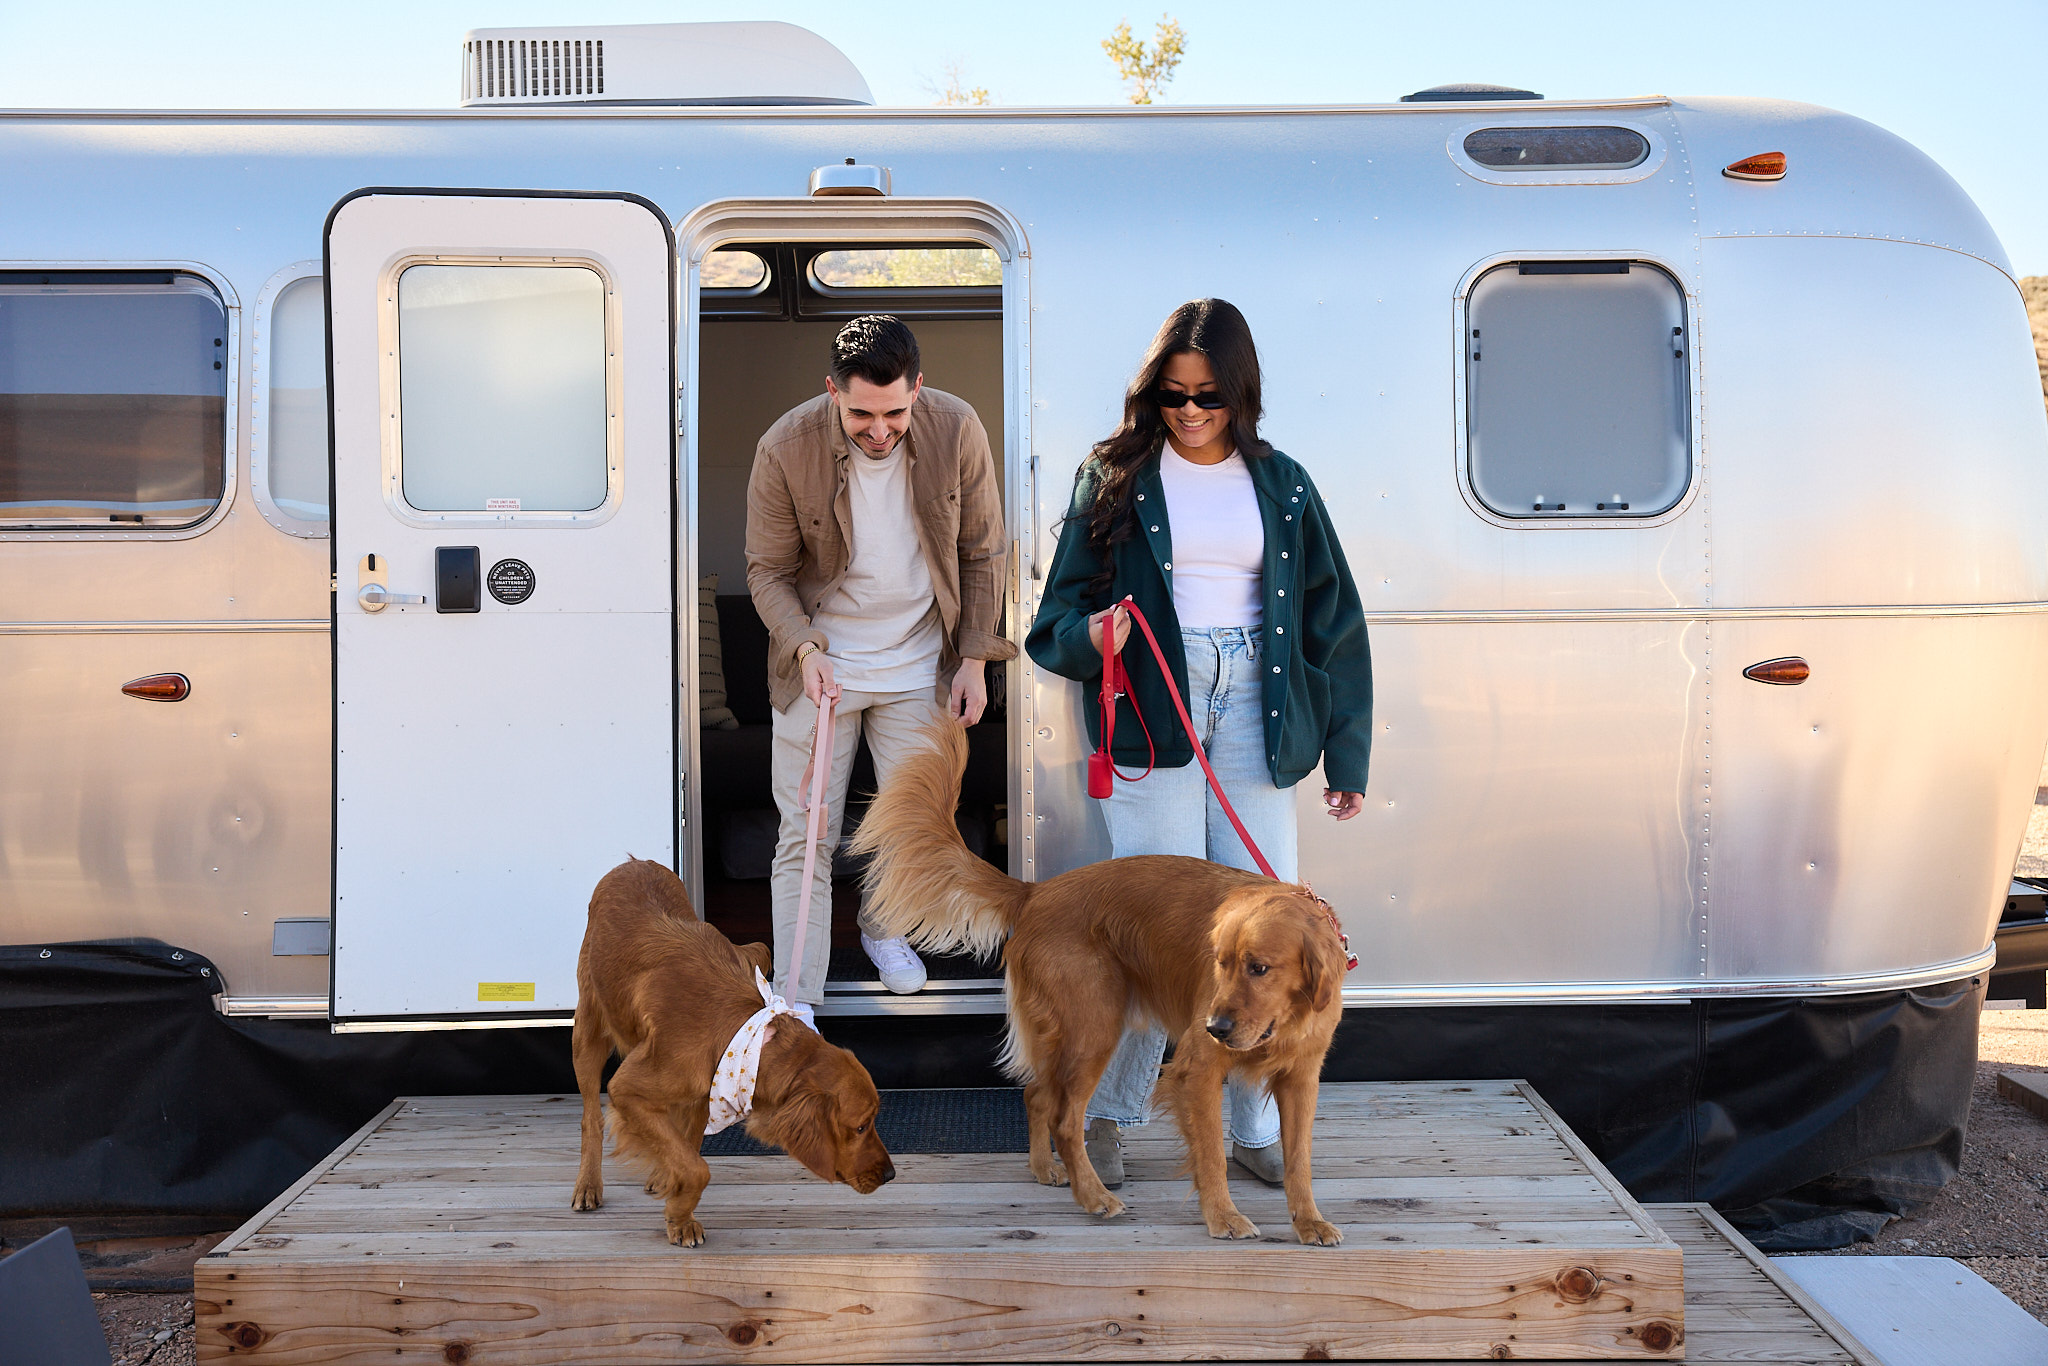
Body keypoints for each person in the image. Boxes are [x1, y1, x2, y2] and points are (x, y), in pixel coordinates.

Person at [1024, 298, 1371, 1187]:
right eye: (1172, 395)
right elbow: (1051, 621)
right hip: (1154, 706)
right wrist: (1092, 636)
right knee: (1156, 931)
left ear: (1240, 392)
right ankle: (1108, 1115)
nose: (1188, 412)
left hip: (1262, 700)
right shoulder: (1111, 477)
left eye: (1208, 395)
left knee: (1268, 931)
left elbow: (1336, 624)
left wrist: (1347, 754)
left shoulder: (1284, 481)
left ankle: (1255, 1128)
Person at [746, 314, 1013, 1027]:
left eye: (895, 412)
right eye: (860, 413)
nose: (879, 429)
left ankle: (882, 926)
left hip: (919, 657)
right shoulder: (785, 444)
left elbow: (985, 553)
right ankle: (797, 996)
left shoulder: (957, 428)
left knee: (912, 822)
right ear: (832, 392)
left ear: (918, 389)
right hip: (820, 662)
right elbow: (766, 573)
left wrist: (974, 661)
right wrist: (805, 648)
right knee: (808, 828)